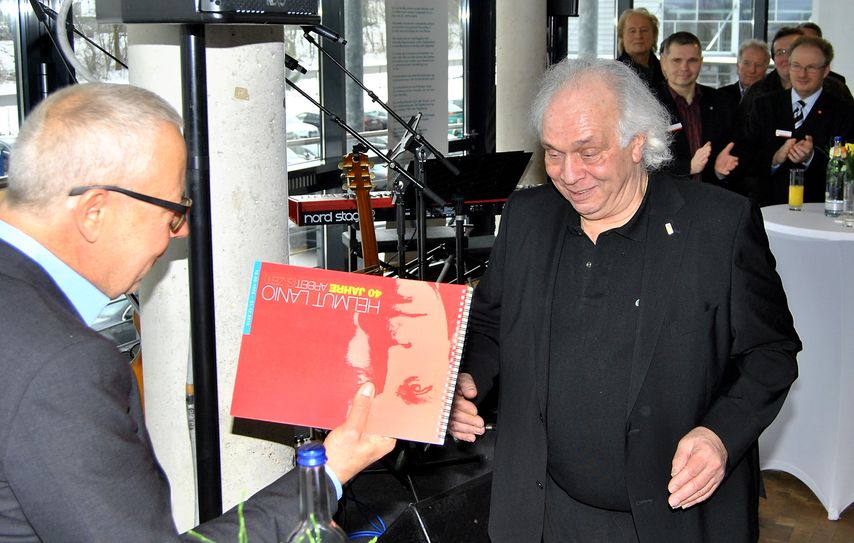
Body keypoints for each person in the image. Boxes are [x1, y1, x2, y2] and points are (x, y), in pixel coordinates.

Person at [0, 83, 395, 542]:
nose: (183, 231)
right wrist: (328, 471)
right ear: (95, 211)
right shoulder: (62, 366)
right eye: (173, 211)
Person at [449, 57, 800, 543]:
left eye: (588, 152)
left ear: (639, 143)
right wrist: (466, 380)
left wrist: (719, 434)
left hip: (674, 518)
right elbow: (490, 324)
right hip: (543, 510)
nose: (569, 174)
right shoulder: (528, 218)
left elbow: (771, 353)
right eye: (553, 153)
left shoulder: (718, 226)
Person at [743, 36, 854, 206]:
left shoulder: (843, 112)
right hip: (768, 210)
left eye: (811, 68)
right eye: (796, 66)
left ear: (826, 71)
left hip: (817, 211)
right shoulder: (765, 105)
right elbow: (747, 157)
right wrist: (775, 158)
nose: (802, 74)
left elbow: (847, 171)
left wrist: (812, 158)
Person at [654, 31, 739, 185]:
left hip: (712, 197)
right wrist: (688, 168)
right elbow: (644, 162)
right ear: (663, 62)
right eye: (677, 60)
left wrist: (721, 171)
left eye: (692, 60)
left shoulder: (723, 102)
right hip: (666, 200)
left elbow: (737, 151)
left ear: (701, 62)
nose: (684, 67)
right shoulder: (649, 104)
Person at [616, 8, 665, 88]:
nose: (638, 36)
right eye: (632, 31)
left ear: (654, 35)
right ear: (622, 37)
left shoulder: (666, 70)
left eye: (644, 30)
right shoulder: (614, 72)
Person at [719, 39, 771, 104]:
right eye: (746, 63)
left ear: (766, 68)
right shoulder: (721, 96)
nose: (752, 70)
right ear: (738, 66)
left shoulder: (773, 97)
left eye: (758, 65)